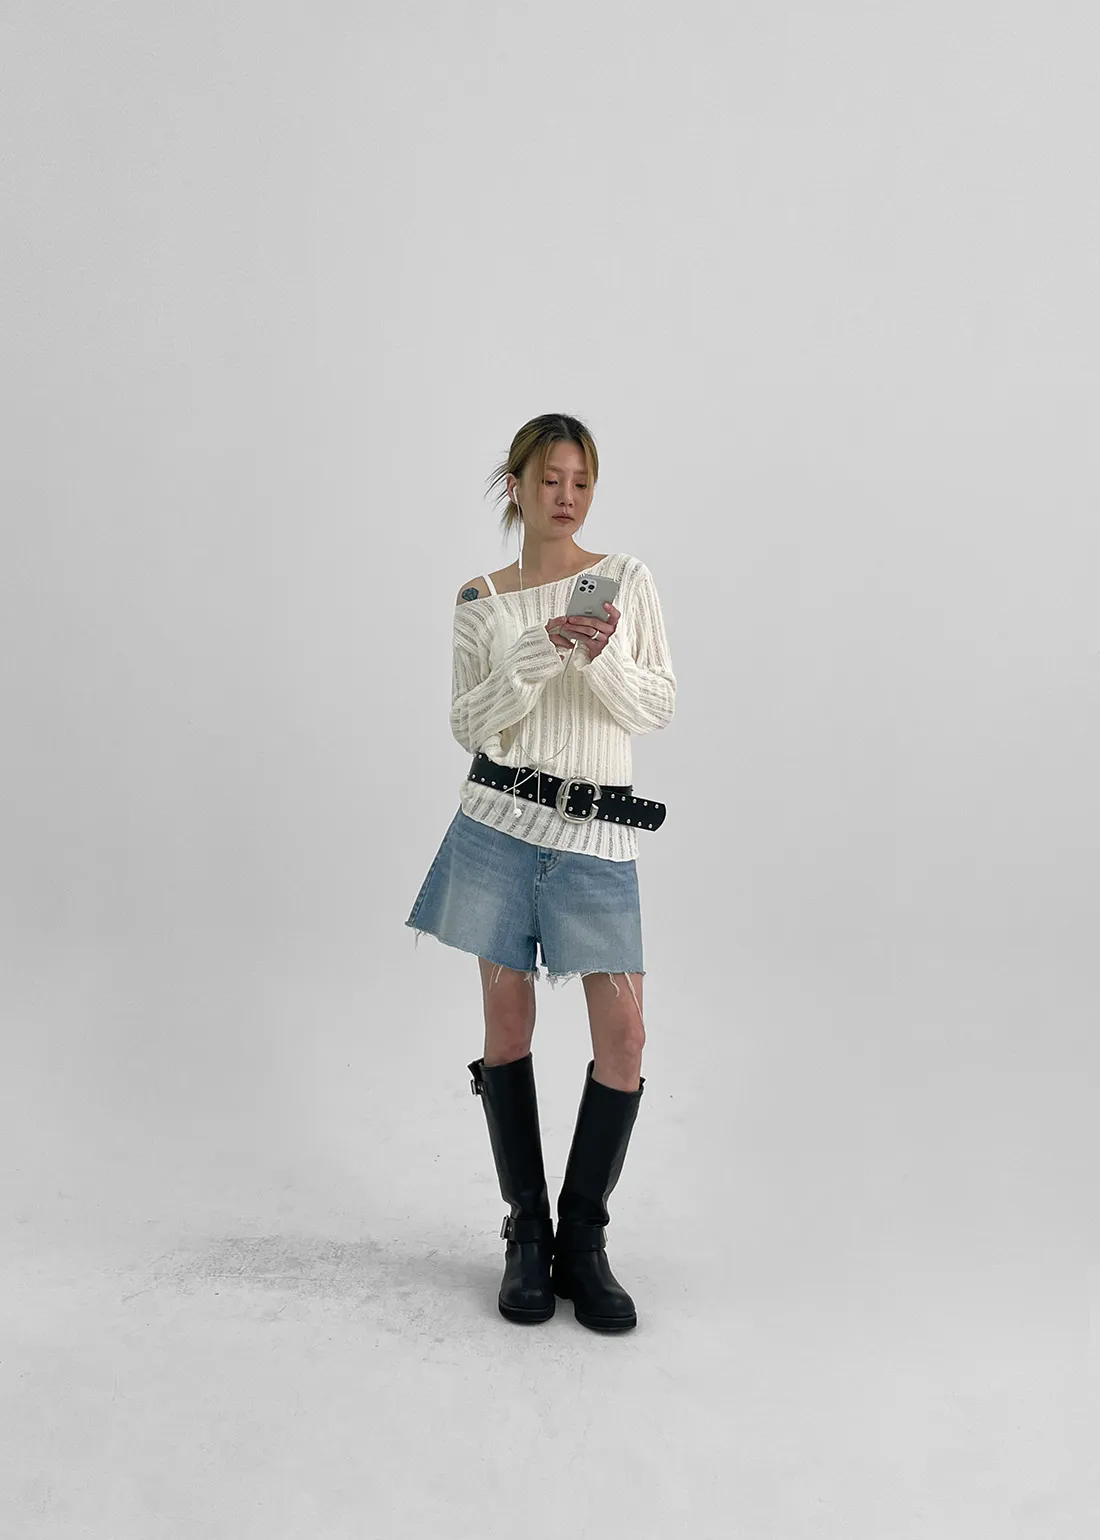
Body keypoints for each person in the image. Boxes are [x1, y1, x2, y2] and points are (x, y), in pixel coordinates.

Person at [405, 412, 676, 1332]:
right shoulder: (479, 599)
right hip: (499, 829)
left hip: (597, 840)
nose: (566, 497)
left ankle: (583, 1240)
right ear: (514, 485)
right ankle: (527, 1234)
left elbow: (658, 704)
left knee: (625, 1039)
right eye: (550, 479)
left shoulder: (627, 580)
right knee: (508, 1026)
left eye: (581, 482)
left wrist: (595, 661)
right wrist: (528, 661)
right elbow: (467, 725)